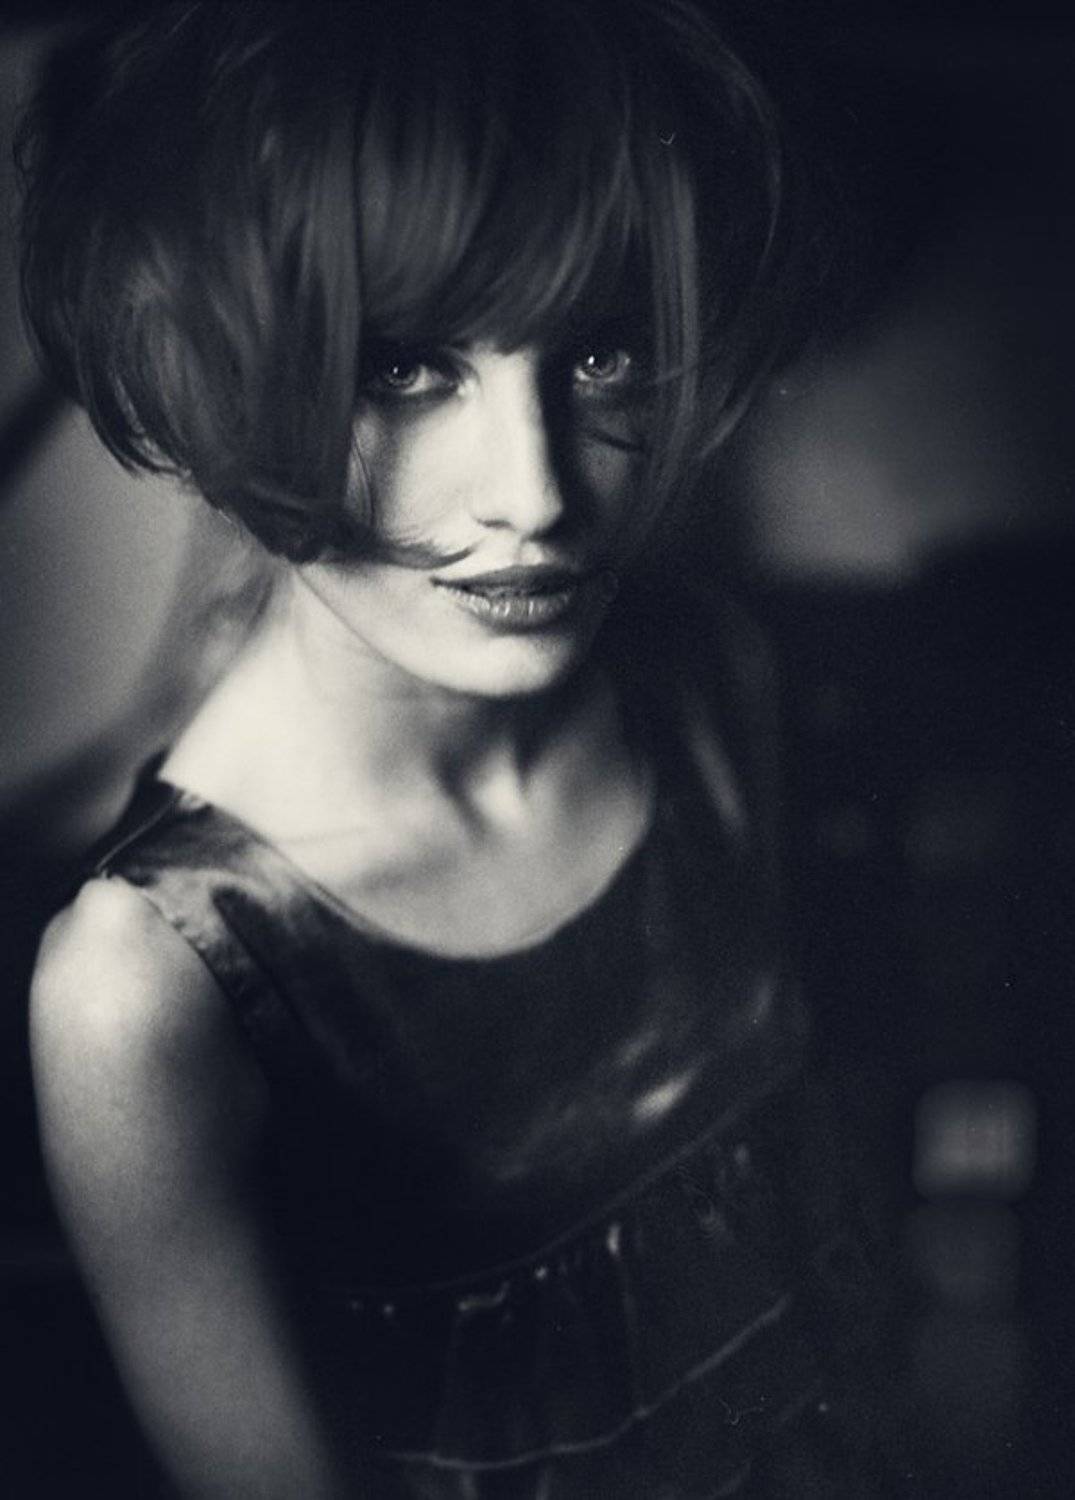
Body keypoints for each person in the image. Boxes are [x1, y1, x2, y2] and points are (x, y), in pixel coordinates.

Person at [20, 2, 882, 1495]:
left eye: (601, 350)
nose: (534, 495)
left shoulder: (701, 677)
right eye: (405, 368)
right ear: (209, 370)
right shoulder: (143, 990)